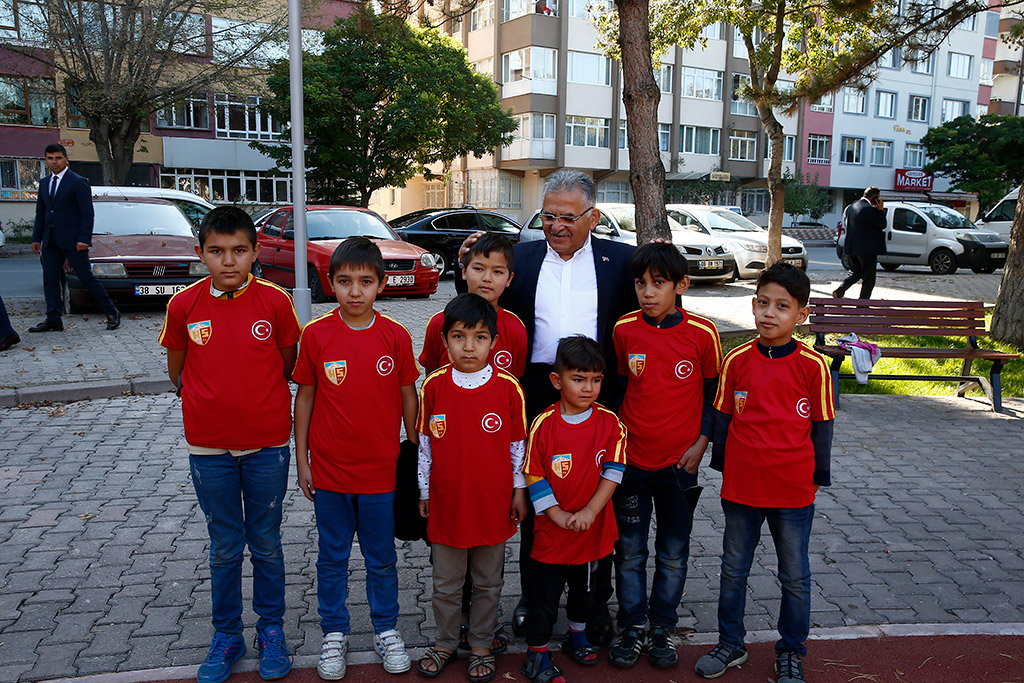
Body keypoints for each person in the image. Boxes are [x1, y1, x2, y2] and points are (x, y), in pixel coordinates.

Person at [458, 170, 636, 642]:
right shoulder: (522, 256)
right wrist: (471, 264)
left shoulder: (622, 261)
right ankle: (534, 600)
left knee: (597, 499)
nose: (556, 225)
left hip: (597, 394)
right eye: (548, 216)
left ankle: (595, 605)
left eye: (568, 217)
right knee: (538, 498)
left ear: (593, 217)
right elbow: (480, 304)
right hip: (534, 390)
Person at [158, 206, 300, 683]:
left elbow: (286, 364)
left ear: (256, 253)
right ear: (201, 255)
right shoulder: (184, 306)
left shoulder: (276, 302)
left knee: (266, 542)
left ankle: (272, 631)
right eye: (216, 252)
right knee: (224, 546)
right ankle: (227, 635)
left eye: (239, 251)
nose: (228, 261)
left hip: (266, 446)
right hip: (209, 448)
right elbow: (176, 370)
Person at [695, 262, 835, 683]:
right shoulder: (736, 360)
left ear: (801, 315)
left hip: (793, 492)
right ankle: (730, 643)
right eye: (762, 303)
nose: (769, 313)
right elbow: (721, 417)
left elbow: (822, 427)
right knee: (733, 568)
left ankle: (791, 650)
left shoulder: (815, 367)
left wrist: (817, 478)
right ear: (752, 306)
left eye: (781, 306)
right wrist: (722, 467)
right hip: (742, 488)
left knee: (794, 575)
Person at [292, 237, 419, 680]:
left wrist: (416, 451)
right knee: (332, 558)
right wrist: (302, 460)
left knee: (381, 559)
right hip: (329, 472)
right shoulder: (317, 335)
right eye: (344, 281)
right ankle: (334, 633)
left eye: (366, 282)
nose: (355, 291)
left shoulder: (396, 336)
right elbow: (305, 399)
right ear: (330, 284)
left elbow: (408, 394)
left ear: (381, 285)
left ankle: (386, 629)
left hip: (381, 475)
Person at [609, 242, 722, 669]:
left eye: (659, 284)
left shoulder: (702, 333)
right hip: (633, 464)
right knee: (631, 552)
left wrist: (702, 443)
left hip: (680, 465)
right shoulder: (624, 329)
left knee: (673, 552)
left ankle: (662, 628)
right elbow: (619, 390)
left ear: (682, 285)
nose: (648, 293)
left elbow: (715, 394)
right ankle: (633, 627)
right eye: (641, 284)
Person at [415, 293, 529, 683]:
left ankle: (481, 642)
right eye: (459, 337)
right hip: (447, 503)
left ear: (493, 343)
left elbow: (518, 447)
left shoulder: (509, 389)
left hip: (493, 503)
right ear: (444, 340)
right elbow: (425, 445)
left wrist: (518, 491)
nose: (469, 346)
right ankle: (446, 640)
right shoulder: (433, 386)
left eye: (479, 337)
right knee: (446, 584)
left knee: (488, 581)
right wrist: (424, 492)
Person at [521, 336, 627, 683]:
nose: (588, 388)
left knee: (584, 591)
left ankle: (576, 636)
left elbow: (614, 471)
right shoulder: (543, 424)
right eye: (578, 379)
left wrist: (591, 512)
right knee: (545, 596)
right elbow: (534, 474)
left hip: (592, 529)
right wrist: (556, 515)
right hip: (553, 534)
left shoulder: (611, 423)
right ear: (557, 380)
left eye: (596, 380)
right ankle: (536, 655)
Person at [31, 143, 121, 332]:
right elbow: (42, 212)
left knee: (86, 277)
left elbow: (87, 213)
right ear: (46, 160)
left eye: (58, 158)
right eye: (50, 158)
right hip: (50, 240)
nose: (54, 162)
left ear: (66, 159)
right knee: (50, 280)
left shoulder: (78, 182)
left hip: (74, 241)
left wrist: (84, 239)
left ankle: (112, 312)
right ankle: (53, 319)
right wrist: (36, 237)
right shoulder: (45, 183)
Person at [420, 232, 527, 377]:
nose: (487, 278)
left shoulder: (515, 327)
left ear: (509, 279)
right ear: (463, 271)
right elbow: (431, 377)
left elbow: (515, 381)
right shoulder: (439, 322)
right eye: (478, 269)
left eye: (497, 271)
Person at [834, 186, 886, 299]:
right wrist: (880, 210)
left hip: (851, 247)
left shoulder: (851, 207)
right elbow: (882, 224)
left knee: (855, 273)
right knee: (869, 278)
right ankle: (863, 303)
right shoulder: (870, 210)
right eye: (878, 198)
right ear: (874, 197)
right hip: (867, 249)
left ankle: (841, 290)